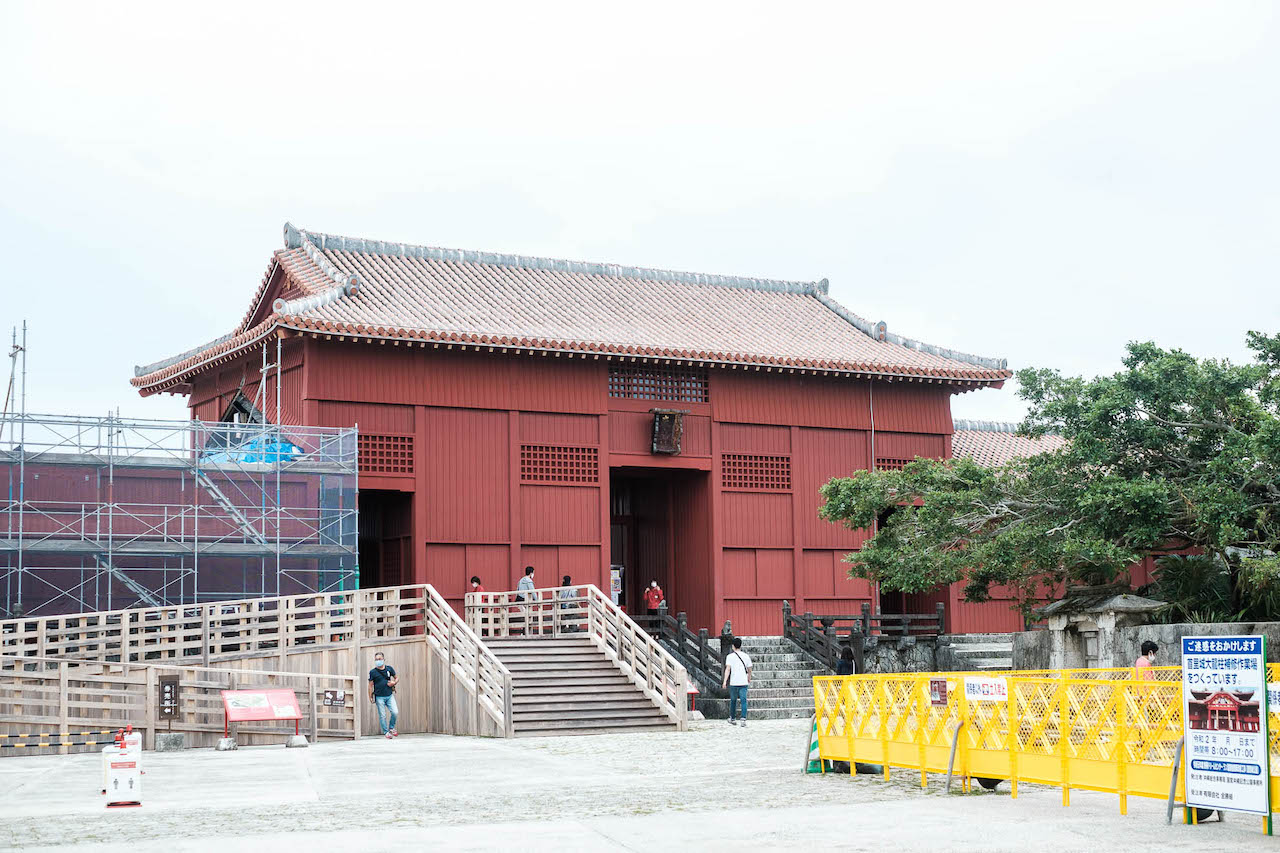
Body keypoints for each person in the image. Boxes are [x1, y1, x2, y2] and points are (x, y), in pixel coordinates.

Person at [722, 636, 752, 727]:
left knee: (733, 700)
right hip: (743, 681)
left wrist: (724, 681)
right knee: (743, 700)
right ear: (740, 646)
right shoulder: (746, 656)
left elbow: (728, 669)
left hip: (734, 682)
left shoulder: (730, 657)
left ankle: (732, 718)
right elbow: (749, 669)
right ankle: (743, 719)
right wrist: (749, 677)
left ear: (733, 646)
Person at [368, 651, 399, 738]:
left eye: (380, 659)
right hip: (379, 697)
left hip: (389, 695)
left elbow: (396, 677)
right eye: (376, 659)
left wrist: (394, 683)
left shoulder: (389, 669)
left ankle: (392, 728)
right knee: (383, 715)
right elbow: (370, 685)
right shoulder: (373, 672)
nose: (378, 661)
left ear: (384, 659)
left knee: (395, 712)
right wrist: (370, 696)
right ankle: (386, 732)